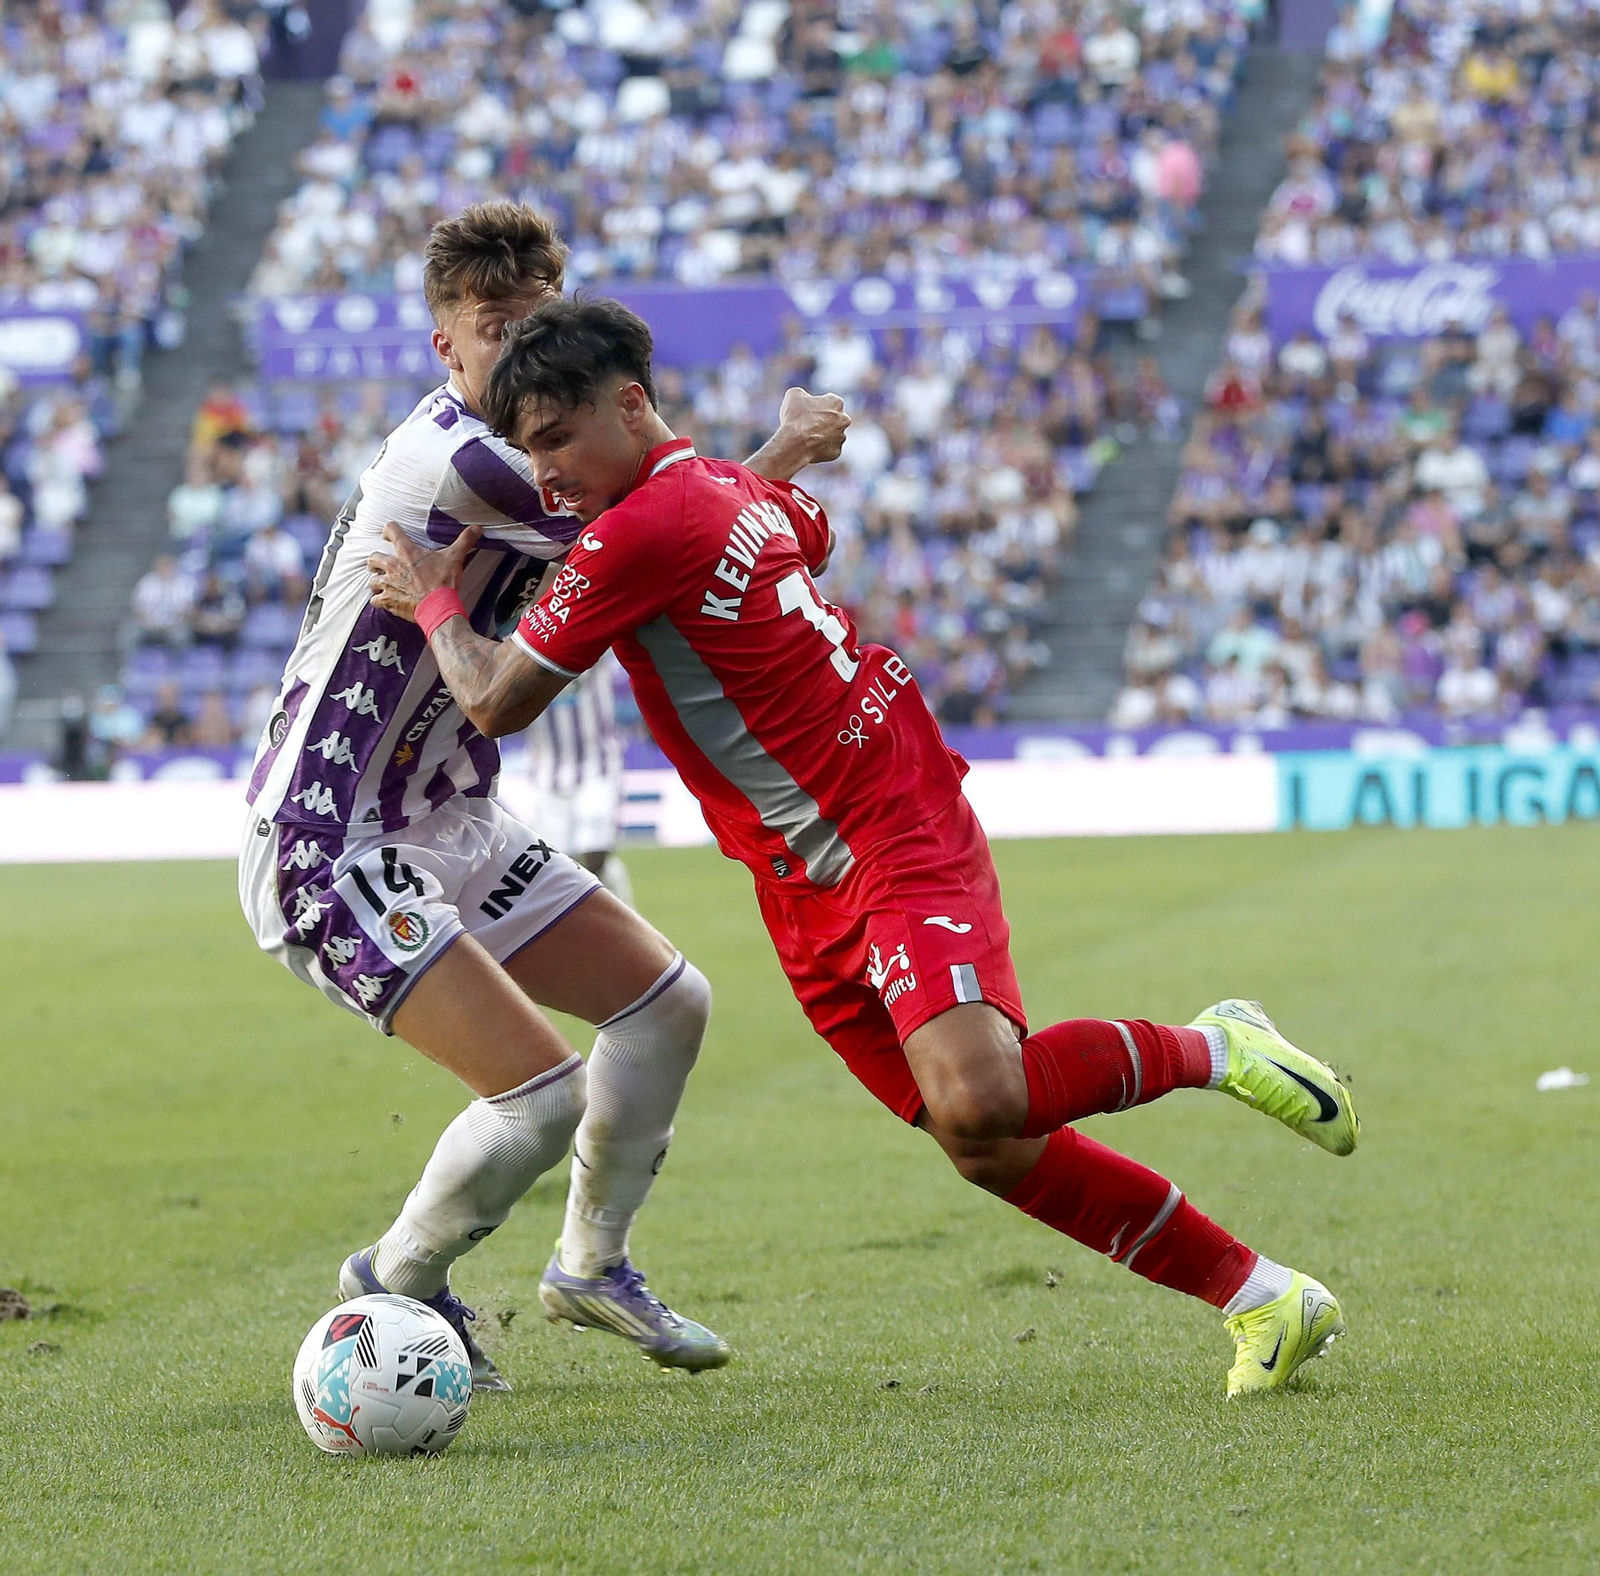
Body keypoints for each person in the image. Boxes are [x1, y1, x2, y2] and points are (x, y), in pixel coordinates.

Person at [368, 298, 1362, 1398]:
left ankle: (1214, 1044)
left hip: (889, 824)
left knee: (980, 1096)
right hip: (801, 877)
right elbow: (764, 519)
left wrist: (437, 599)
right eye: (528, 451)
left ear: (632, 403)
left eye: (557, 439)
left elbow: (499, 699)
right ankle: (1264, 1296)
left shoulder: (638, 529)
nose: (546, 477)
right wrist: (784, 449)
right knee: (980, 1139)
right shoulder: (722, 492)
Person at [239, 205, 848, 1389]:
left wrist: (753, 471)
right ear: (445, 348)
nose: (517, 348)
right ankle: (394, 1281)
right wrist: (776, 455)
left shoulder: (538, 438)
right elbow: (662, 525)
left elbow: (666, 520)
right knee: (538, 1097)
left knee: (668, 1005)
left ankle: (589, 1268)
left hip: (451, 818)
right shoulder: (459, 459)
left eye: (536, 322)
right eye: (490, 328)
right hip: (330, 832)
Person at [519, 655, 633, 904]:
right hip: (548, 772)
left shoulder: (588, 638)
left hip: (598, 763)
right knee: (556, 864)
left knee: (595, 850)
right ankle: (596, 915)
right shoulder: (519, 641)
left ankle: (614, 915)